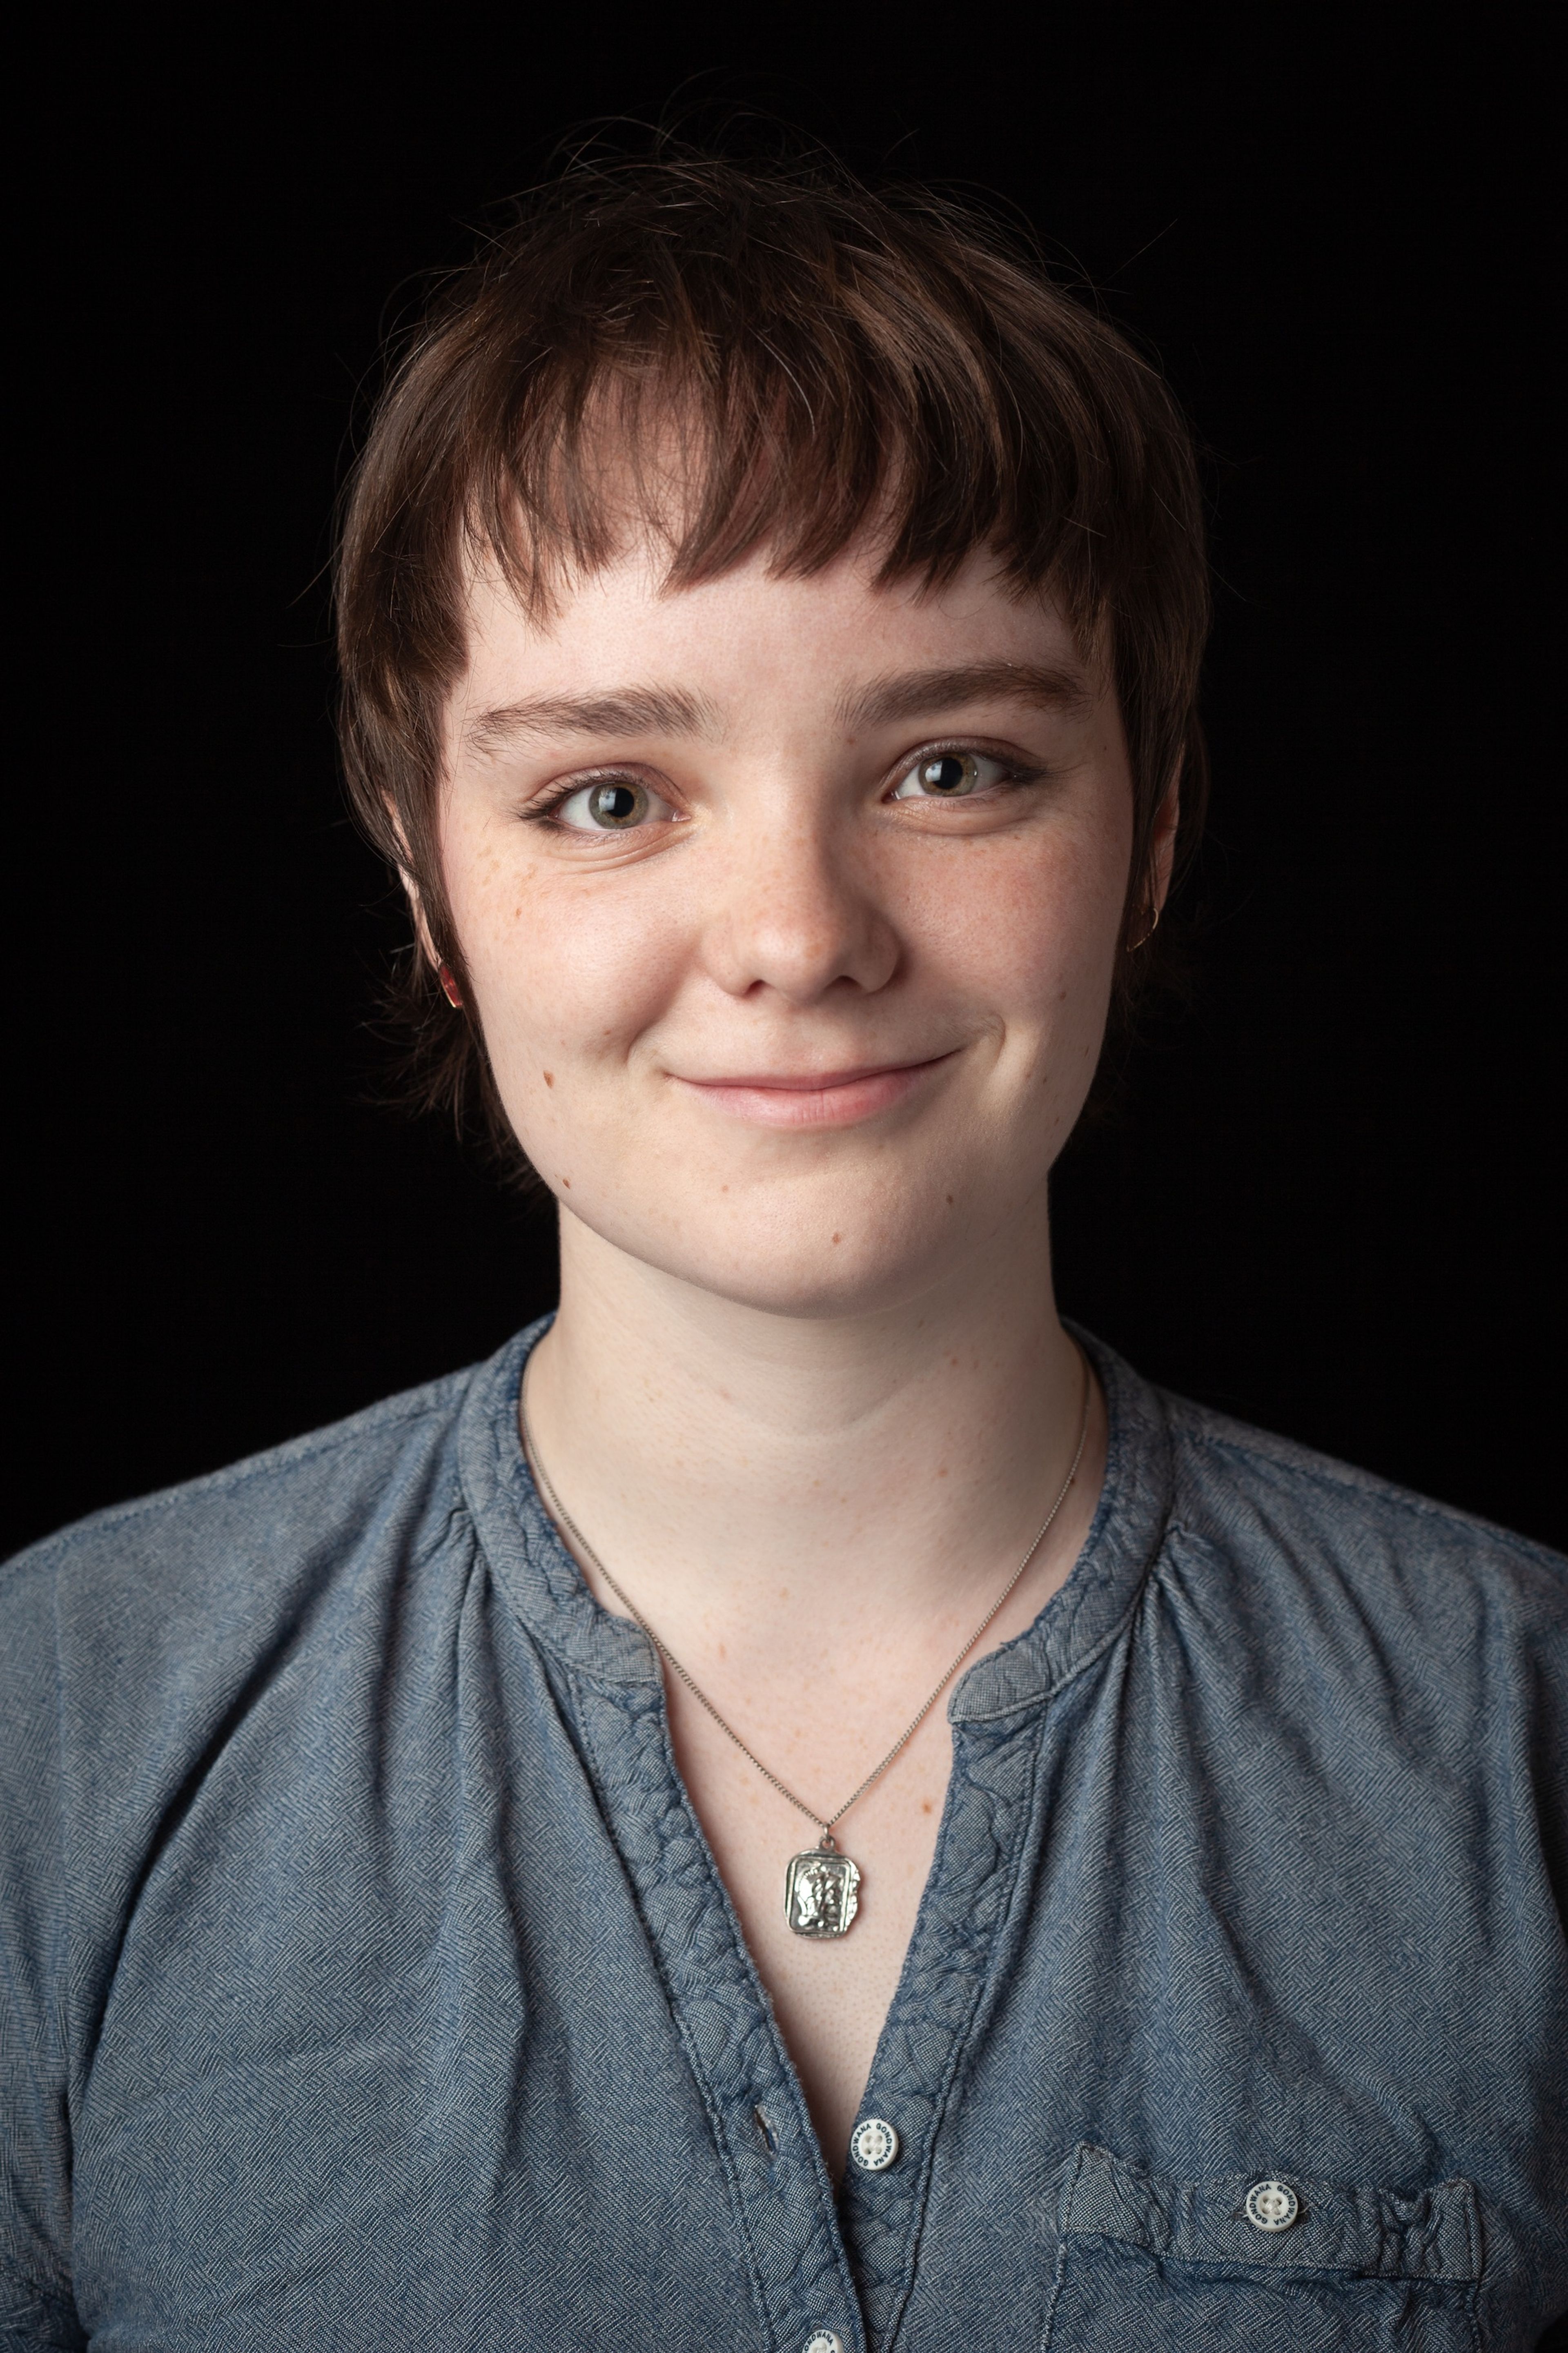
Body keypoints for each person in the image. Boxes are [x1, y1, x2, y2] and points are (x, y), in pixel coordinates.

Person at [2, 147, 1564, 2353]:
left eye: (951, 764)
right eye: (611, 795)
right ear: (429, 884)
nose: (801, 937)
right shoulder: (54, 1737)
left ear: (1158, 825)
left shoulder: (1521, 1737)